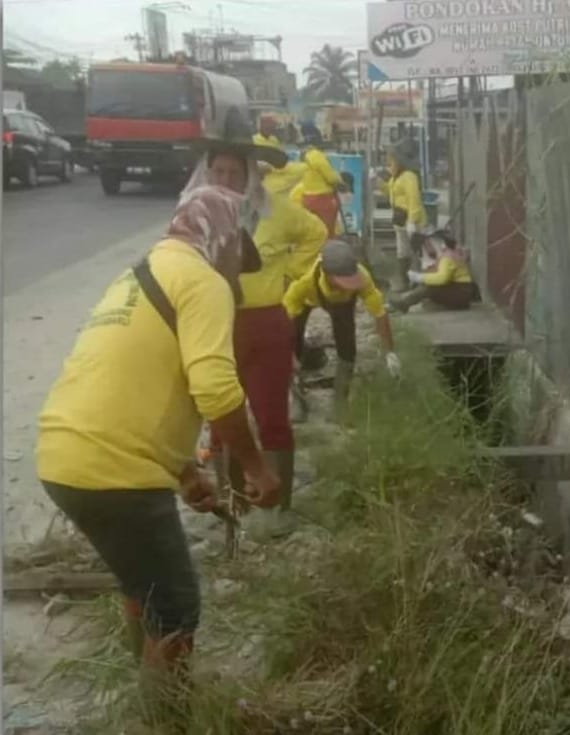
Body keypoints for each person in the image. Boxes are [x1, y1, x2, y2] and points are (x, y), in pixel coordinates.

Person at [35, 185, 281, 721]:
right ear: (223, 239)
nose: (239, 270)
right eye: (240, 253)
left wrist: (184, 471)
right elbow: (216, 390)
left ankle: (144, 692)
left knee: (142, 583)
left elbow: (136, 388)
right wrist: (257, 466)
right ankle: (166, 721)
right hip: (113, 470)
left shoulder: (138, 274)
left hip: (64, 457)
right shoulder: (204, 281)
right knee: (175, 606)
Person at [191, 109, 328, 538]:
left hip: (268, 324)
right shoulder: (194, 215)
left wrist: (292, 275)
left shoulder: (276, 212)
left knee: (271, 417)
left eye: (234, 171)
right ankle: (234, 505)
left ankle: (277, 507)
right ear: (207, 172)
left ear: (249, 174)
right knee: (225, 417)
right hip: (217, 327)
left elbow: (316, 235)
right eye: (218, 171)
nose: (226, 180)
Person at [283, 240, 402, 421]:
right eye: (343, 282)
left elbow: (379, 313)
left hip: (342, 306)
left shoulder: (362, 277)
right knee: (293, 347)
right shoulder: (302, 284)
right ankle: (297, 399)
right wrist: (290, 357)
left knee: (347, 349)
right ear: (327, 273)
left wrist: (389, 352)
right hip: (304, 302)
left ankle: (340, 402)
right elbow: (284, 326)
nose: (348, 285)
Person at [375, 139, 427, 291]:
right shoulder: (395, 177)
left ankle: (419, 283)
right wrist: (380, 184)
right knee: (402, 252)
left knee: (416, 252)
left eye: (392, 160)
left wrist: (412, 221)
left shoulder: (409, 176)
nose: (389, 163)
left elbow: (414, 199)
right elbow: (392, 193)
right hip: (399, 219)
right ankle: (403, 281)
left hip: (412, 220)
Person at [390, 229, 476, 314]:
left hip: (461, 292)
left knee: (430, 286)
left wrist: (420, 277)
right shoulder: (452, 253)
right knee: (428, 284)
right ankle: (404, 301)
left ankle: (404, 303)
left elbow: (442, 278)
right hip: (462, 291)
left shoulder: (447, 257)